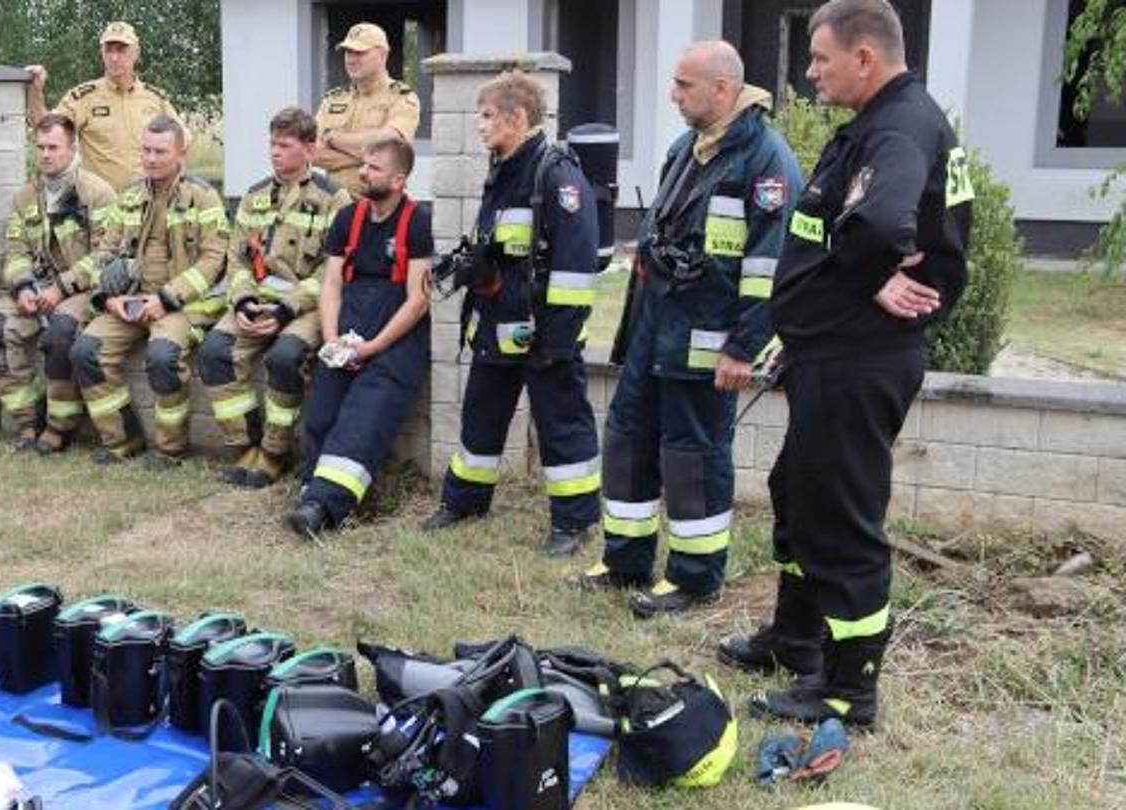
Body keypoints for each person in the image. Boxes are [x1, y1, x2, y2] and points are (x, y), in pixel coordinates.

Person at [744, 0, 969, 730]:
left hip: (859, 356)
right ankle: (795, 640)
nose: (810, 73)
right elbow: (838, 227)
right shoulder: (883, 120)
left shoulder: (899, 127)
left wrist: (871, 276)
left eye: (820, 59)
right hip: (827, 349)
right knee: (798, 494)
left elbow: (877, 223)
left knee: (841, 521)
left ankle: (847, 691)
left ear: (864, 58)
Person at [585, 42, 804, 618]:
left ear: (723, 89)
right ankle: (625, 560)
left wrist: (742, 347)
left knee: (694, 455)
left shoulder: (766, 163)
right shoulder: (687, 149)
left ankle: (695, 576)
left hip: (709, 340)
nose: (673, 94)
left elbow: (770, 268)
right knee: (629, 437)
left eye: (684, 85)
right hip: (656, 328)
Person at [420, 72, 603, 558]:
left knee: (562, 424)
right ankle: (464, 504)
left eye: (486, 117)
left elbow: (575, 265)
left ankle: (574, 522)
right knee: (481, 415)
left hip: (545, 334)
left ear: (517, 118)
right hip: (497, 324)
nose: (478, 127)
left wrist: (558, 340)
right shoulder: (503, 167)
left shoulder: (557, 174)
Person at [286, 137, 432, 537]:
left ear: (399, 179)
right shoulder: (348, 218)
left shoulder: (417, 223)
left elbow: (418, 301)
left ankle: (323, 507)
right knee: (322, 410)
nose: (363, 173)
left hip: (395, 337)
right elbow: (331, 285)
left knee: (366, 412)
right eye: (363, 165)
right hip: (347, 324)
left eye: (374, 167)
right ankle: (310, 490)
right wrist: (332, 340)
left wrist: (374, 347)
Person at [198, 107, 351, 488]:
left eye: (285, 144)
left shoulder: (335, 199)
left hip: (306, 305)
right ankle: (246, 447)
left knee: (285, 358)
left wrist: (286, 309)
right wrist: (244, 302)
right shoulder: (254, 196)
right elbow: (236, 258)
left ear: (309, 149)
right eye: (272, 144)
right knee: (214, 351)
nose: (275, 152)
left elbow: (331, 272)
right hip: (255, 300)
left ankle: (274, 452)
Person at [69, 116, 229, 466]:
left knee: (162, 358)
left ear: (181, 153)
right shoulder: (129, 195)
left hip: (180, 305)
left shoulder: (203, 197)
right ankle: (122, 440)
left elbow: (213, 261)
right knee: (86, 351)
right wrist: (108, 297)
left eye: (160, 151)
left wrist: (167, 298)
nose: (151, 159)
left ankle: (170, 449)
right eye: (146, 150)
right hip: (129, 302)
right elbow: (104, 253)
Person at [0, 113, 120, 453]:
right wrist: (23, 286)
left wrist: (63, 287)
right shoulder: (27, 196)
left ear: (72, 148)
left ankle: (59, 426)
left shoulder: (97, 193)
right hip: (38, 287)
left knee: (60, 333)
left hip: (83, 289)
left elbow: (107, 255)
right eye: (39, 147)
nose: (45, 154)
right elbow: (15, 250)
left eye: (53, 147)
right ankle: (28, 419)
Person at [25, 22, 179, 190]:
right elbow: (44, 130)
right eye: (109, 50)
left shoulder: (155, 98)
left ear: (136, 53)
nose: (114, 57)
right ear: (102, 53)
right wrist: (35, 91)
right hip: (101, 207)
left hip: (148, 204)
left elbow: (182, 141)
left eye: (121, 49)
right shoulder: (84, 97)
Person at [313, 22, 423, 196]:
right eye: (348, 52)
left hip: (380, 205)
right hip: (335, 204)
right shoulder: (332, 99)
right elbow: (313, 154)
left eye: (359, 52)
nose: (350, 59)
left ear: (382, 55)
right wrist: (372, 158)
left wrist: (332, 138)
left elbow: (389, 147)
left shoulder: (402, 98)